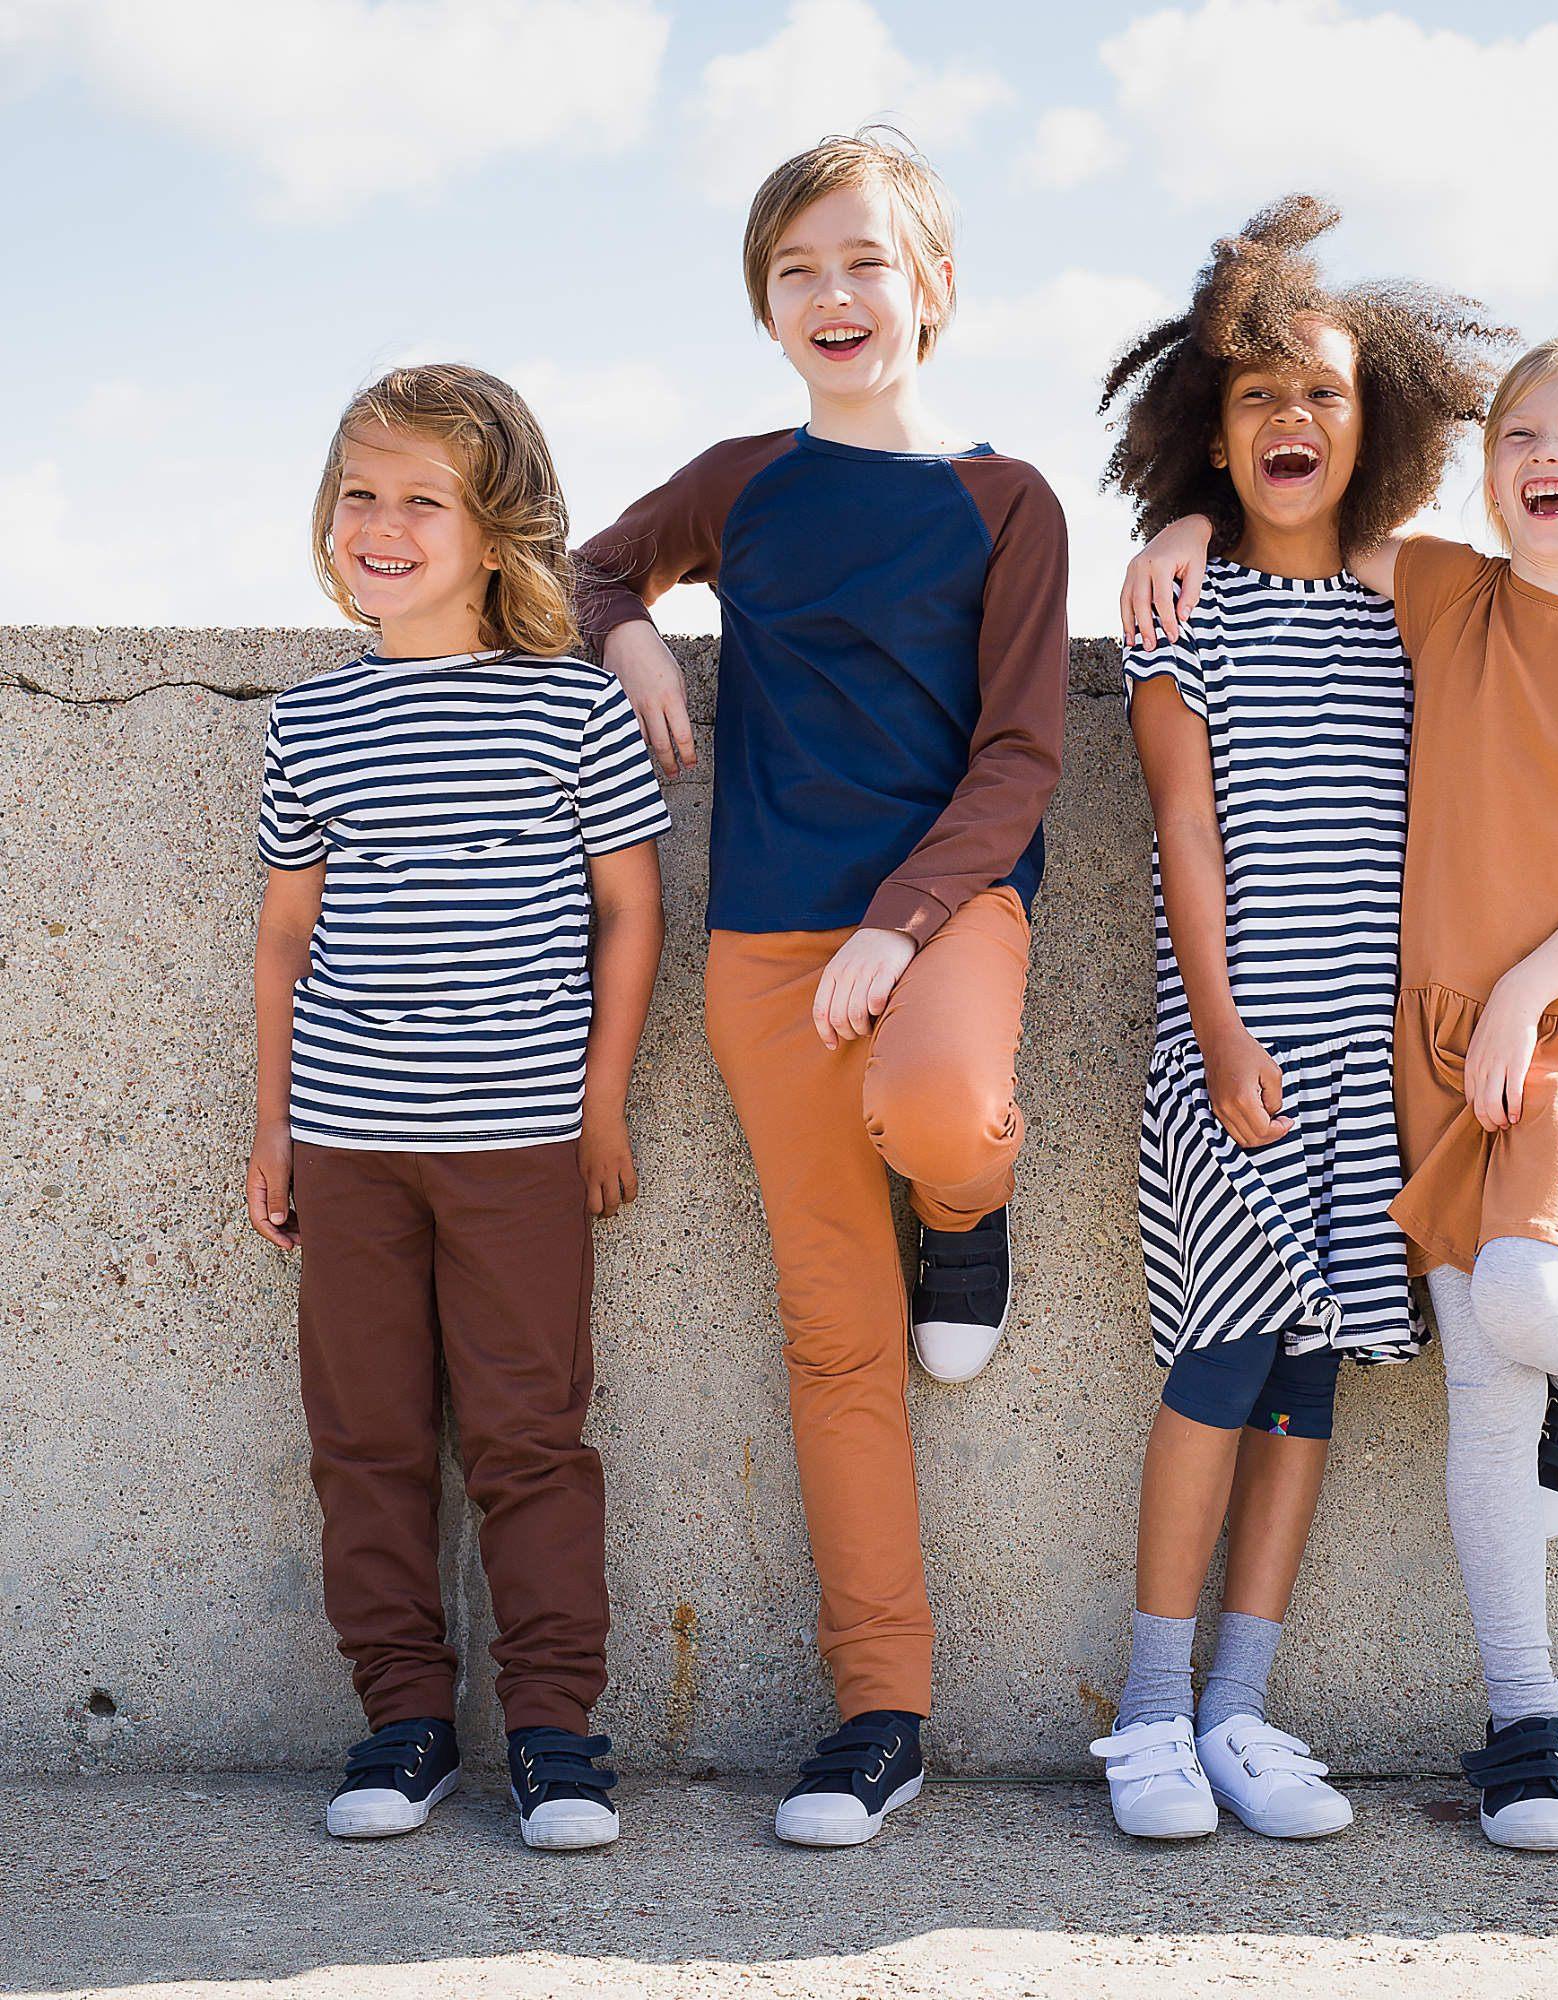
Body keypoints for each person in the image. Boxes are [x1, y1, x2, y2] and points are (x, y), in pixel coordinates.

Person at [1122, 332, 1558, 1851]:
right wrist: (1178, 516)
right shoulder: (1443, 591)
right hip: (1397, 1048)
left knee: (1491, 1329)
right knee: (1371, 1377)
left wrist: (1528, 989)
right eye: (1520, 429)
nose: (1547, 455)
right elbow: (1301, 519)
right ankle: (1487, 1724)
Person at [571, 128, 1067, 1846]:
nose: (834, 295)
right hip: (763, 947)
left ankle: (973, 1203)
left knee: (937, 1109)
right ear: (768, 309)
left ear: (932, 287)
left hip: (949, 916)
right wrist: (630, 628)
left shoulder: (1009, 502)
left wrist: (905, 920)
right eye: (798, 272)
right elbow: (587, 566)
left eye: (865, 262)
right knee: (838, 1345)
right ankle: (884, 1712)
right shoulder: (741, 479)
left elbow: (1017, 757)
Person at [1087, 198, 1512, 1840]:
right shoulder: (1177, 620)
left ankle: (1240, 1715)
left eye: (1324, 392)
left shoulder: (1410, 609)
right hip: (1236, 1053)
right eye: (1257, 395)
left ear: (1374, 420)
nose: (1292, 419)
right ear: (1209, 426)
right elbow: (1184, 837)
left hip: (1371, 1070)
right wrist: (1218, 1029)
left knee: (1312, 1374)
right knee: (1221, 1352)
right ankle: (1145, 1716)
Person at [247, 364, 669, 1849]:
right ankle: (403, 1726)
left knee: (527, 1440)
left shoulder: (570, 712)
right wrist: (273, 1125)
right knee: (363, 1441)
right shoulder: (312, 725)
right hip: (353, 1147)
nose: (383, 523)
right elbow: (288, 934)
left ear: (495, 533)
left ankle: (557, 1735)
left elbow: (633, 912)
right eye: (360, 494)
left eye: (423, 498)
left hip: (520, 1145)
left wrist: (600, 1103)